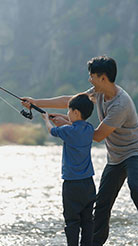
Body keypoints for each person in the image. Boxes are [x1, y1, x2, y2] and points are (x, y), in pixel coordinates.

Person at [22, 56, 138, 246]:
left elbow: (97, 135)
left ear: (103, 78)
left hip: (134, 153)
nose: (89, 80)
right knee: (101, 204)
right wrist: (37, 102)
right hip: (115, 157)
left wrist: (68, 125)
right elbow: (71, 102)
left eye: (91, 76)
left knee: (137, 188)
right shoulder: (97, 92)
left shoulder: (121, 104)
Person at [40, 93, 96, 246]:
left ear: (76, 112)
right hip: (89, 184)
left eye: (69, 111)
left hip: (72, 185)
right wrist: (60, 118)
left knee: (72, 221)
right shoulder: (90, 129)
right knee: (87, 220)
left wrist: (46, 119)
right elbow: (74, 126)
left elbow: (52, 130)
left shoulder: (67, 131)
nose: (67, 113)